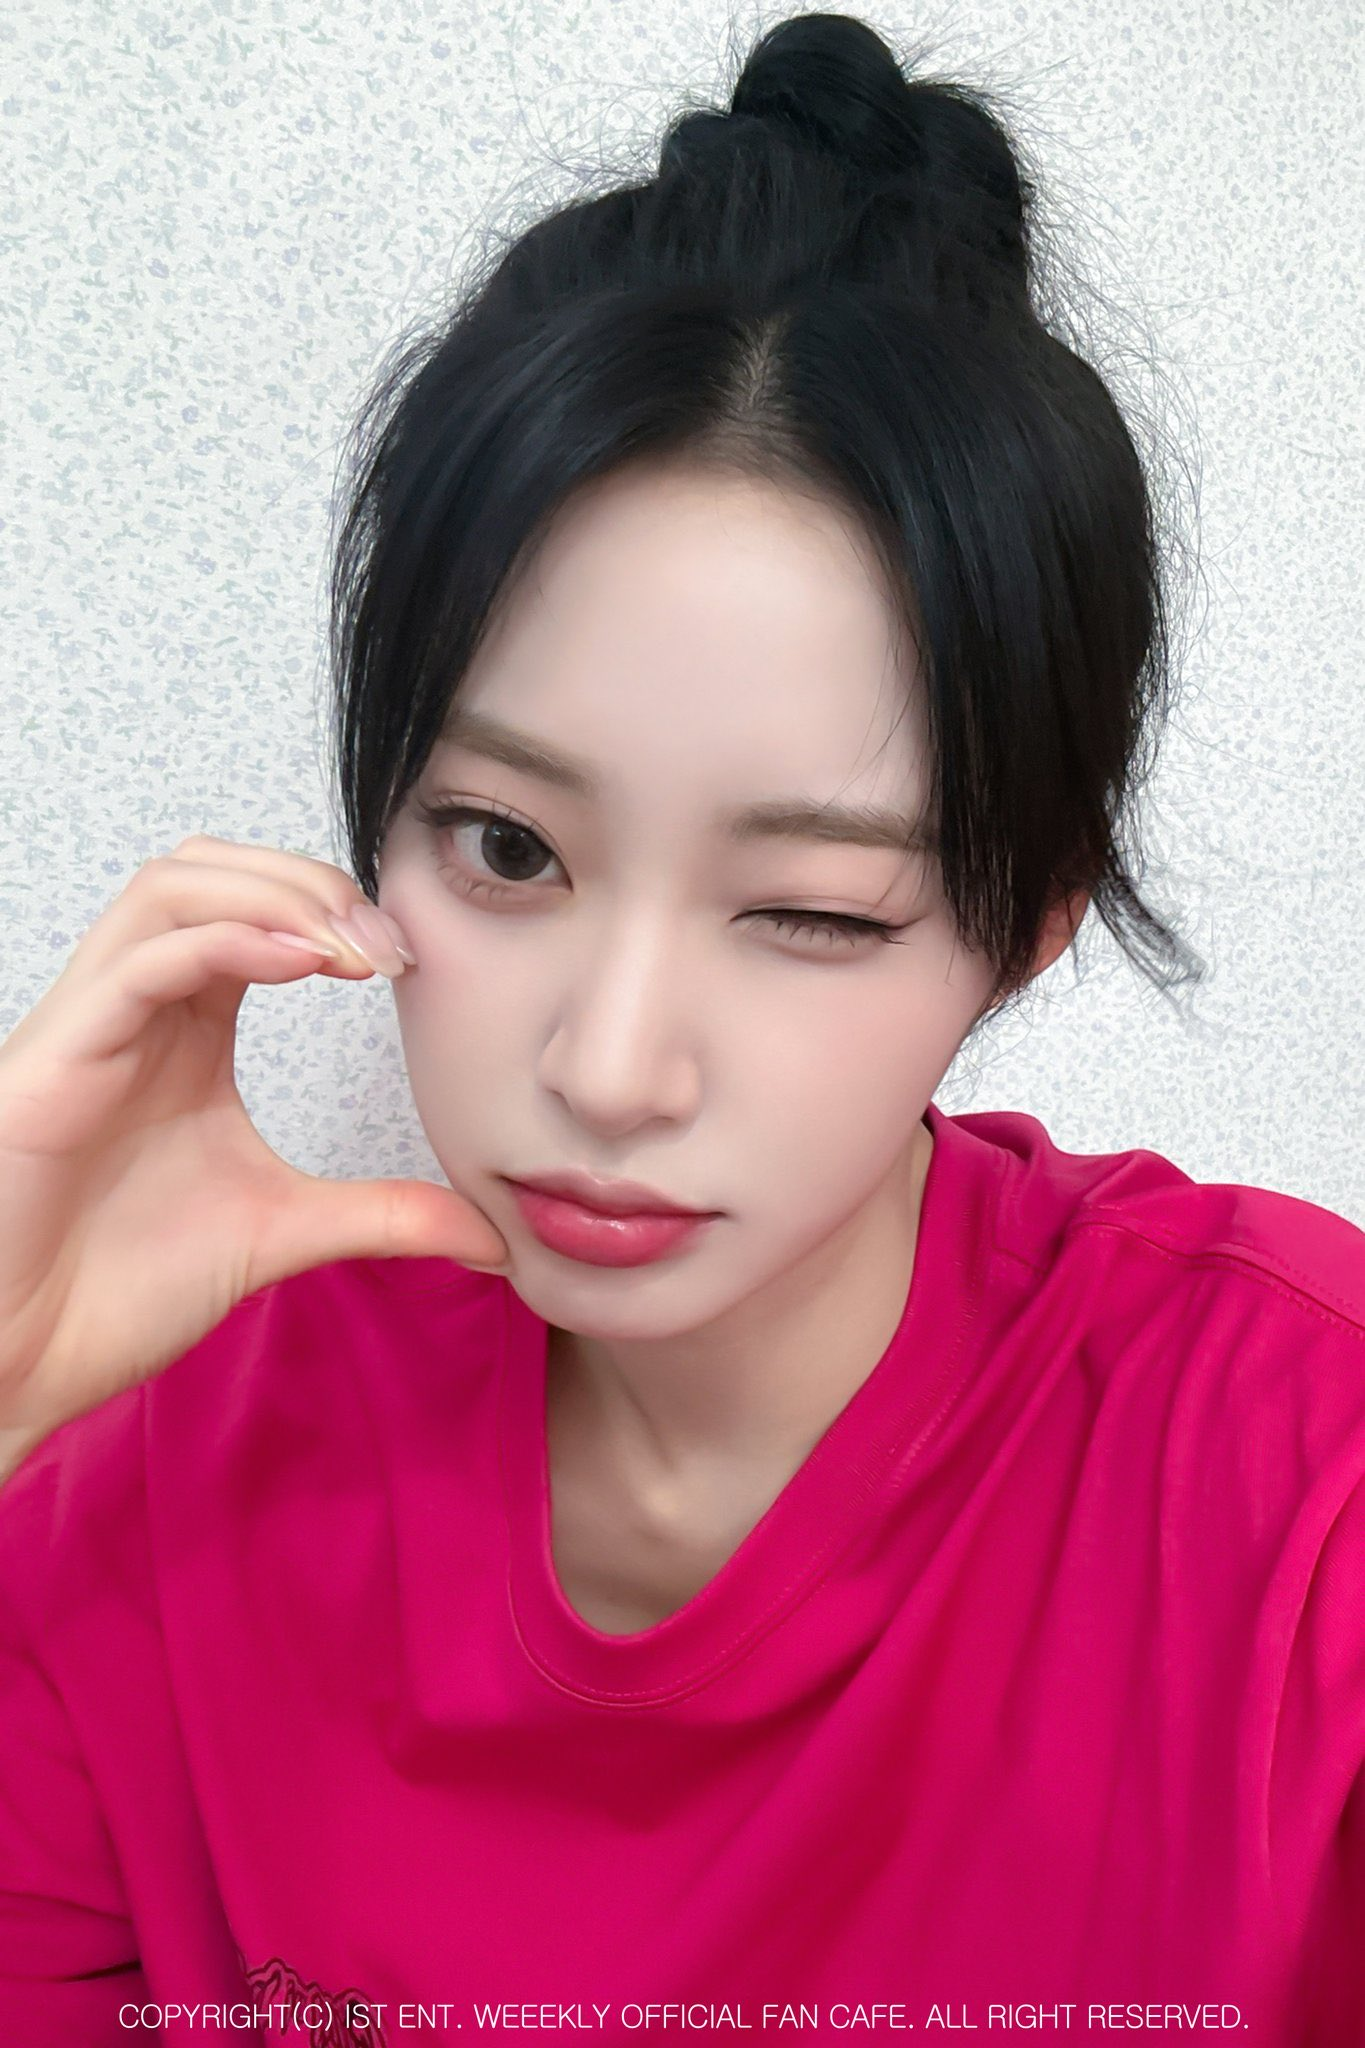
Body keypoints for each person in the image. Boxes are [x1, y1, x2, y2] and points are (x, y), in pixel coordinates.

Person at [1, 12, 1361, 2044]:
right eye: (506, 847)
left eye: (811, 909)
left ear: (1026, 925)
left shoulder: (1295, 1482)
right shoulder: (144, 1463)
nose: (611, 1069)